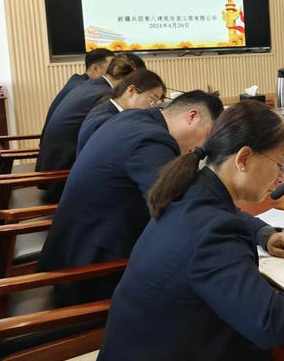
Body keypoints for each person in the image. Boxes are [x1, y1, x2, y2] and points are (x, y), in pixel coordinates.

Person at [90, 101, 284, 361]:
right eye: (279, 165)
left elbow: (229, 216)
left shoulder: (191, 186)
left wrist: (263, 233)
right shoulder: (213, 232)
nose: (281, 178)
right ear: (244, 158)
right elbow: (269, 323)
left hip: (141, 359)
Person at [36, 90, 226, 306]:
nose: (201, 148)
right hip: (91, 273)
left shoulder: (134, 119)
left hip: (75, 250)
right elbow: (180, 209)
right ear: (192, 116)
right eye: (207, 136)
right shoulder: (152, 141)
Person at [35, 56, 136, 202]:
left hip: (52, 163)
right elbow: (105, 134)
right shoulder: (104, 94)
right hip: (61, 177)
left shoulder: (90, 85)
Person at [76, 68, 166, 154]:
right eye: (152, 99)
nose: (152, 107)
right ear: (131, 90)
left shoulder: (109, 109)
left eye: (156, 102)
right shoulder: (107, 120)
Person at [40, 47, 114, 137]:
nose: (114, 72)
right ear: (95, 68)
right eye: (111, 68)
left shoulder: (77, 81)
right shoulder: (90, 90)